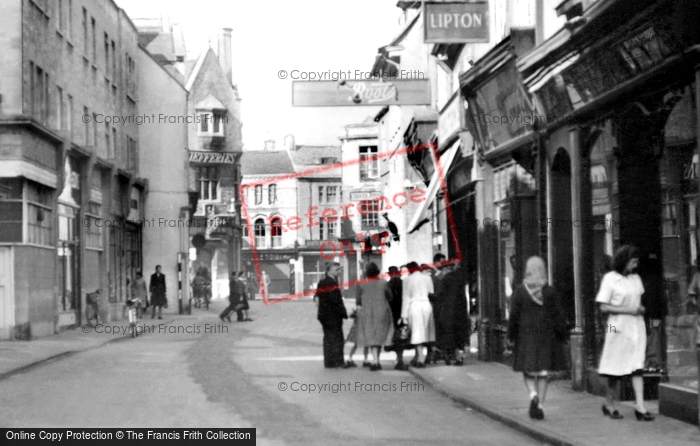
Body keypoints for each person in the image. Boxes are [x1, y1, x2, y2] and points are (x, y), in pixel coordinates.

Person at [596, 245, 654, 421]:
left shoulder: (636, 279)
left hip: (636, 327)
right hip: (616, 326)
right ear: (623, 260)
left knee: (637, 366)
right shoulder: (610, 279)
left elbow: (638, 300)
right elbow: (604, 306)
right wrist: (630, 310)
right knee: (615, 368)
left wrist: (641, 309)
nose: (635, 266)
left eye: (636, 262)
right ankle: (609, 404)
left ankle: (640, 407)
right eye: (632, 262)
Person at [508, 256, 568, 420]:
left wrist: (511, 335)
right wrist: (563, 334)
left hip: (526, 335)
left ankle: (533, 394)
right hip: (546, 336)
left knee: (527, 371)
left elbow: (514, 315)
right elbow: (558, 315)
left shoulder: (520, 291)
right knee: (542, 373)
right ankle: (540, 405)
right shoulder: (549, 291)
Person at [356, 262, 394, 371]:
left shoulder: (361, 284)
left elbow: (358, 301)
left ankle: (375, 361)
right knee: (379, 335)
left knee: (371, 335)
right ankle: (377, 360)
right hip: (382, 310)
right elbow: (390, 296)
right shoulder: (383, 283)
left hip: (367, 312)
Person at [400, 261, 435, 368]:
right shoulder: (427, 278)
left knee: (417, 332)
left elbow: (406, 298)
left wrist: (404, 316)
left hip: (414, 306)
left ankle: (420, 358)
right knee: (426, 332)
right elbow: (431, 292)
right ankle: (419, 357)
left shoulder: (406, 280)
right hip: (426, 305)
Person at [436, 263, 471, 366]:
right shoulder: (461, 278)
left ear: (446, 269)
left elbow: (440, 295)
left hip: (448, 311)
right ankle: (460, 357)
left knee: (449, 334)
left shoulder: (446, 279)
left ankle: (449, 356)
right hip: (461, 310)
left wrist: (430, 296)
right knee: (460, 335)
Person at [315, 262, 348, 369]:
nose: (339, 271)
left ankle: (329, 362)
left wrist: (321, 310)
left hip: (324, 315)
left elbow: (316, 299)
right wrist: (343, 313)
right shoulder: (332, 283)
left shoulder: (322, 282)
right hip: (333, 315)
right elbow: (336, 301)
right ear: (330, 270)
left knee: (328, 338)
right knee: (337, 339)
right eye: (337, 269)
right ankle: (338, 361)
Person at [387, 265, 408, 370]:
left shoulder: (388, 285)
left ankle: (399, 359)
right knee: (401, 338)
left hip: (391, 314)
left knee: (394, 338)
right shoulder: (403, 283)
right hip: (402, 313)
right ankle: (400, 359)